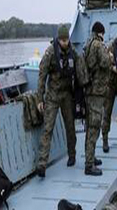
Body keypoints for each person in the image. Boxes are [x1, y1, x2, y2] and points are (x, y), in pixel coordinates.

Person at [36, 24, 85, 178]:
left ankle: (72, 155)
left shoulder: (73, 52)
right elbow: (42, 75)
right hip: (53, 95)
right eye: (62, 40)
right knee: (48, 128)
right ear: (58, 39)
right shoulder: (51, 52)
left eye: (66, 40)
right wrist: (39, 98)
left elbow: (80, 69)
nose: (65, 42)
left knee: (70, 127)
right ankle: (42, 164)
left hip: (67, 95)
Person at [83, 21, 110, 176]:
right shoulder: (98, 45)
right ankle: (89, 165)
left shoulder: (88, 43)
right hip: (96, 92)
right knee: (94, 127)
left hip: (89, 91)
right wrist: (110, 56)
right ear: (101, 32)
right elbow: (105, 63)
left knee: (90, 126)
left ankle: (91, 157)